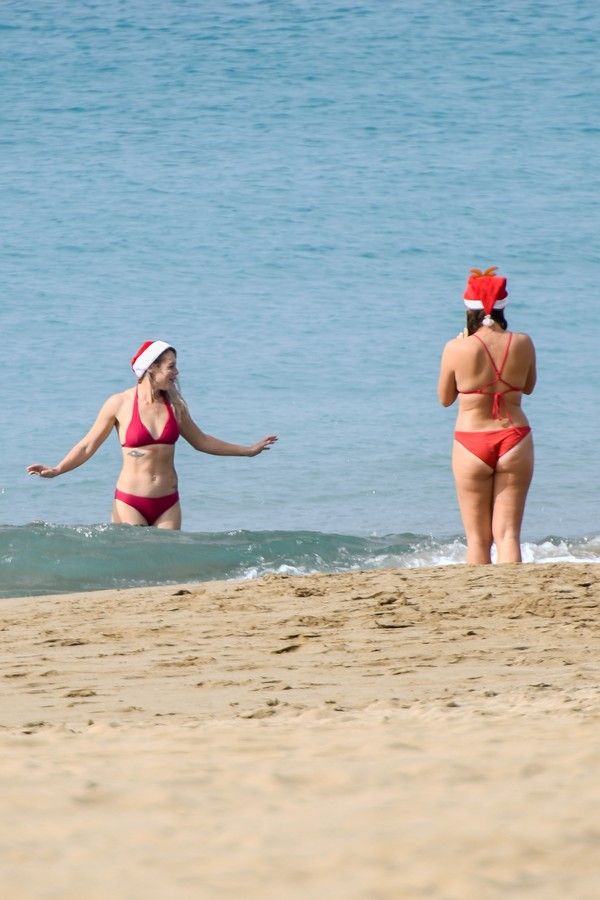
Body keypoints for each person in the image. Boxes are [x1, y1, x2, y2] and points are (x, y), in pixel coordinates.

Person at [27, 340, 278, 529]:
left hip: (168, 502)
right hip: (130, 502)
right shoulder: (119, 404)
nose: (176, 372)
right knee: (134, 564)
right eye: (171, 366)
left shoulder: (176, 405)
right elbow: (88, 445)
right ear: (151, 368)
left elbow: (201, 441)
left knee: (166, 567)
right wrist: (58, 469)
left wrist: (248, 450)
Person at [437, 268, 536, 564]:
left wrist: (463, 345)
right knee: (508, 536)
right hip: (515, 438)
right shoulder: (523, 342)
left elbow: (445, 399)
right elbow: (528, 387)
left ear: (470, 310)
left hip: (471, 442)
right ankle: (513, 596)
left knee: (478, 540)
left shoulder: (456, 348)